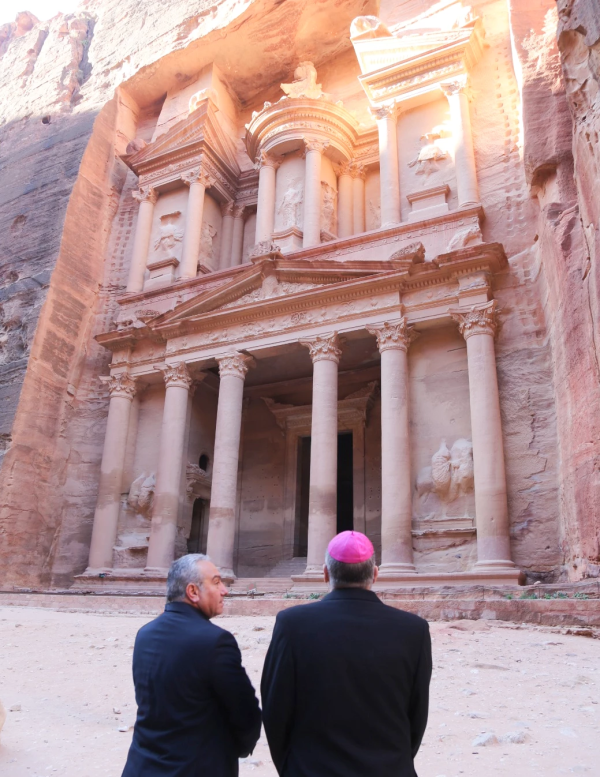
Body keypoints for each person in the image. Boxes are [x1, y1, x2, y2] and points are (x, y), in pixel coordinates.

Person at [261, 531, 432, 777]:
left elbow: (275, 709)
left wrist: (291, 768)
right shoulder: (413, 630)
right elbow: (417, 715)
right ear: (375, 574)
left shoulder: (292, 624)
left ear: (325, 574)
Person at [122, 554, 261, 777]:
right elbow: (246, 712)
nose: (224, 590)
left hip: (142, 767)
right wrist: (238, 748)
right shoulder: (215, 641)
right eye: (216, 582)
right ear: (193, 592)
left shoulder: (145, 634)